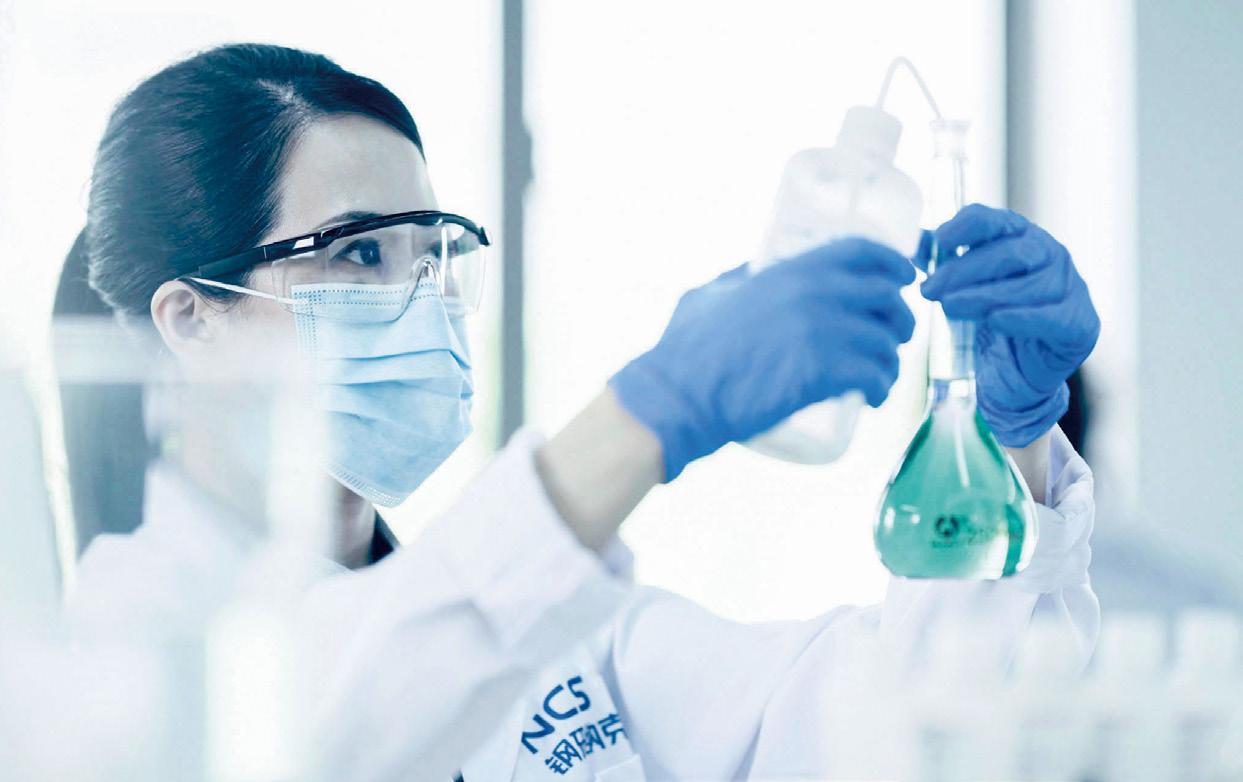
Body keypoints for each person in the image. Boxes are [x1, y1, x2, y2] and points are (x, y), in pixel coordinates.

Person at [58, 44, 1100, 779]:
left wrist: (1005, 444)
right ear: (190, 319)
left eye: (434, 255)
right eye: (361, 252)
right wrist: (654, 407)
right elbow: (325, 715)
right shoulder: (118, 658)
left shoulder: (555, 638)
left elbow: (899, 729)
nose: (423, 301)